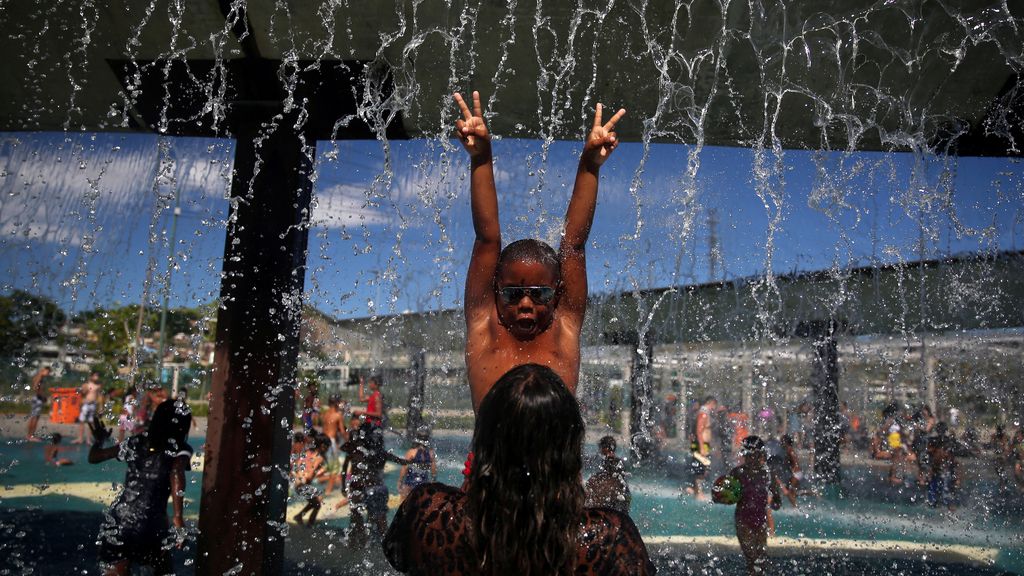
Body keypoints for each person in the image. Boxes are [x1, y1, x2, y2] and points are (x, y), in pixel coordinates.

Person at [384, 364, 654, 575]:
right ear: (569, 451)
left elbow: (398, 557)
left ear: (483, 441)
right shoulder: (607, 538)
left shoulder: (430, 511)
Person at [455, 91, 626, 412]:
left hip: (557, 464)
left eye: (539, 294)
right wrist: (480, 158)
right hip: (490, 464)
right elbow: (487, 239)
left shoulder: (564, 327)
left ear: (558, 292)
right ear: (495, 290)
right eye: (512, 294)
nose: (525, 305)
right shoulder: (484, 325)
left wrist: (590, 165)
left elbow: (573, 244)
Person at [88, 397, 192, 575]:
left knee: (116, 569)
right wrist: (178, 517)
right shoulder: (179, 448)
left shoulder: (135, 442)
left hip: (120, 519)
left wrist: (99, 440)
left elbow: (95, 457)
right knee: (162, 569)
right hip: (151, 523)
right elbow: (176, 473)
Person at [341, 419, 407, 547]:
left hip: (367, 486)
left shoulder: (366, 448)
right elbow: (345, 467)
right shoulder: (357, 447)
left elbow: (345, 467)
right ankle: (364, 540)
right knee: (363, 516)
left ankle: (363, 540)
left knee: (366, 516)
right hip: (362, 486)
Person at [725, 435, 781, 575]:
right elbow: (724, 496)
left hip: (761, 524)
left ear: (761, 454)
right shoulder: (737, 472)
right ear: (745, 454)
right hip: (743, 523)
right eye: (750, 455)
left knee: (760, 562)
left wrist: (774, 502)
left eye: (755, 454)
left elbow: (777, 501)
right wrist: (721, 495)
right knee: (752, 559)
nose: (753, 458)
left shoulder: (768, 474)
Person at [585, 435, 632, 513]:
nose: (600, 450)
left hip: (612, 494)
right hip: (624, 494)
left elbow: (609, 478)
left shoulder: (609, 460)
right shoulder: (619, 461)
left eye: (601, 448)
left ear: (605, 448)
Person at [292, 433, 328, 526]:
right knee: (317, 504)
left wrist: (299, 476)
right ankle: (310, 524)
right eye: (327, 446)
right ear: (323, 446)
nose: (327, 449)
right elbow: (310, 474)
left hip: (297, 483)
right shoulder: (320, 458)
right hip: (303, 484)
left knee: (315, 502)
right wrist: (318, 472)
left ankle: (299, 516)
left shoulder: (306, 452)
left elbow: (296, 466)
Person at [397, 426, 437, 501]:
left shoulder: (411, 452)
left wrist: (400, 481)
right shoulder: (431, 453)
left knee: (404, 505)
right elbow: (433, 470)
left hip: (410, 484)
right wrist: (433, 480)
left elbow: (404, 468)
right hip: (424, 484)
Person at [689, 396, 717, 499]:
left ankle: (694, 489)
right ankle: (698, 493)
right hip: (701, 444)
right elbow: (699, 430)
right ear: (711, 403)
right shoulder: (703, 414)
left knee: (704, 467)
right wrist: (701, 447)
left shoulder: (703, 413)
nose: (714, 408)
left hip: (702, 444)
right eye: (714, 405)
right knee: (701, 468)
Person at [926, 422, 959, 510]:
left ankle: (944, 505)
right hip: (939, 471)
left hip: (941, 471)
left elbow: (953, 460)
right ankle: (944, 505)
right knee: (941, 495)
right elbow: (953, 461)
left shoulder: (935, 441)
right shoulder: (937, 441)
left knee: (940, 495)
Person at [321, 395, 346, 495]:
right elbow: (342, 432)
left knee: (326, 466)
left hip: (323, 441)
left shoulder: (325, 414)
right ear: (336, 403)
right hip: (331, 442)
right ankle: (328, 491)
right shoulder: (338, 415)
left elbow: (324, 429)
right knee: (334, 469)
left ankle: (324, 487)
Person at [25, 366, 52, 442]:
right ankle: (31, 436)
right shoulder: (39, 377)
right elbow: (36, 387)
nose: (48, 374)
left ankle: (29, 435)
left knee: (34, 417)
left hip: (36, 398)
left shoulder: (38, 377)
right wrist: (42, 396)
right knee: (35, 418)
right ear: (44, 370)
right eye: (48, 372)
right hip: (37, 399)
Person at [76, 371, 102, 444]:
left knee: (91, 422)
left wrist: (100, 407)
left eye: (97, 376)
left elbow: (99, 396)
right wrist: (84, 390)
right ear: (91, 376)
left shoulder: (98, 386)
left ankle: (88, 439)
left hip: (93, 405)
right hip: (86, 404)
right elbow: (82, 394)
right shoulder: (86, 384)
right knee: (82, 421)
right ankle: (80, 438)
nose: (96, 377)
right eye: (95, 375)